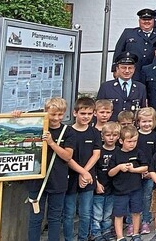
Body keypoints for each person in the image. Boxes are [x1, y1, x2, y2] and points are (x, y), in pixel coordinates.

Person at [22, 97, 74, 241]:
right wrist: (16, 114)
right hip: (36, 179)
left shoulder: (68, 131)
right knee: (35, 218)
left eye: (60, 115)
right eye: (53, 114)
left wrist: (51, 143)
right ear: (45, 112)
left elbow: (68, 156)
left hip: (58, 179)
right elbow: (20, 123)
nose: (56, 118)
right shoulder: (37, 127)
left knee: (55, 217)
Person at [64, 97, 101, 241]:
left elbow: (96, 154)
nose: (86, 117)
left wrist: (85, 172)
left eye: (89, 114)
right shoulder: (67, 132)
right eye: (83, 113)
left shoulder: (94, 133)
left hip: (88, 177)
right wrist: (82, 172)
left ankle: (83, 238)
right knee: (69, 213)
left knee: (86, 213)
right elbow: (67, 157)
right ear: (75, 113)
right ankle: (68, 238)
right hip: (70, 177)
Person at [108, 126, 148, 241]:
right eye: (129, 141)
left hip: (136, 188)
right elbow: (110, 173)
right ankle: (120, 236)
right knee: (119, 214)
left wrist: (134, 170)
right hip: (120, 190)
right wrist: (119, 167)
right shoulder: (116, 154)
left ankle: (136, 234)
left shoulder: (138, 152)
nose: (132, 144)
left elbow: (145, 167)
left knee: (136, 212)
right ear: (121, 141)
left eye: (135, 141)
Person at [97, 52, 148, 121]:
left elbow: (143, 111)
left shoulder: (141, 88)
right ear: (117, 69)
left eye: (130, 68)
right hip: (112, 129)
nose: (127, 71)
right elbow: (98, 110)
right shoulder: (106, 87)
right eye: (123, 68)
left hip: (132, 129)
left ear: (134, 69)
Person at [113, 8, 156, 81]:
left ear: (154, 21)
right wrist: (115, 69)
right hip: (132, 74)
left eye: (149, 19)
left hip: (154, 75)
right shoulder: (128, 33)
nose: (146, 22)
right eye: (144, 19)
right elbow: (118, 51)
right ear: (139, 21)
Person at [92, 122, 119, 241]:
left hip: (113, 187)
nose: (111, 138)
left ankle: (106, 230)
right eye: (108, 135)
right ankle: (96, 232)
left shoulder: (118, 151)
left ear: (118, 137)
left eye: (114, 135)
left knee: (108, 213)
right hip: (99, 185)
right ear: (102, 136)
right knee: (97, 213)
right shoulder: (98, 151)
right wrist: (96, 183)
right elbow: (93, 169)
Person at [135, 108, 156, 235]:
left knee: (147, 197)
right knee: (134, 197)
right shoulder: (135, 135)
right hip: (134, 173)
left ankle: (146, 221)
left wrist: (151, 171)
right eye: (143, 121)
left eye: (149, 121)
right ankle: (131, 223)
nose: (146, 124)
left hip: (150, 174)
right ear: (138, 122)